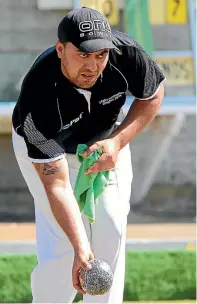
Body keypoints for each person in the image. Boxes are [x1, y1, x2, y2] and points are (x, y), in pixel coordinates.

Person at [12, 6, 165, 304]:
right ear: (60, 49)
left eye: (100, 56)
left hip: (105, 142)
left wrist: (118, 142)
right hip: (48, 154)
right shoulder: (37, 95)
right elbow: (56, 185)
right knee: (66, 247)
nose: (93, 66)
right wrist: (81, 249)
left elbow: (153, 94)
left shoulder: (125, 54)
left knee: (111, 227)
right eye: (83, 55)